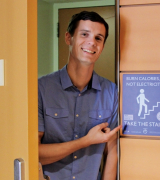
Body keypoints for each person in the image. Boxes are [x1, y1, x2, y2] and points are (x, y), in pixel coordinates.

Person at [38, 11, 121, 180]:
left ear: (103, 46)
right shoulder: (41, 88)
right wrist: (85, 141)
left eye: (99, 38)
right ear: (69, 38)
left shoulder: (112, 92)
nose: (92, 42)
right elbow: (33, 152)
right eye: (84, 34)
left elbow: (112, 152)